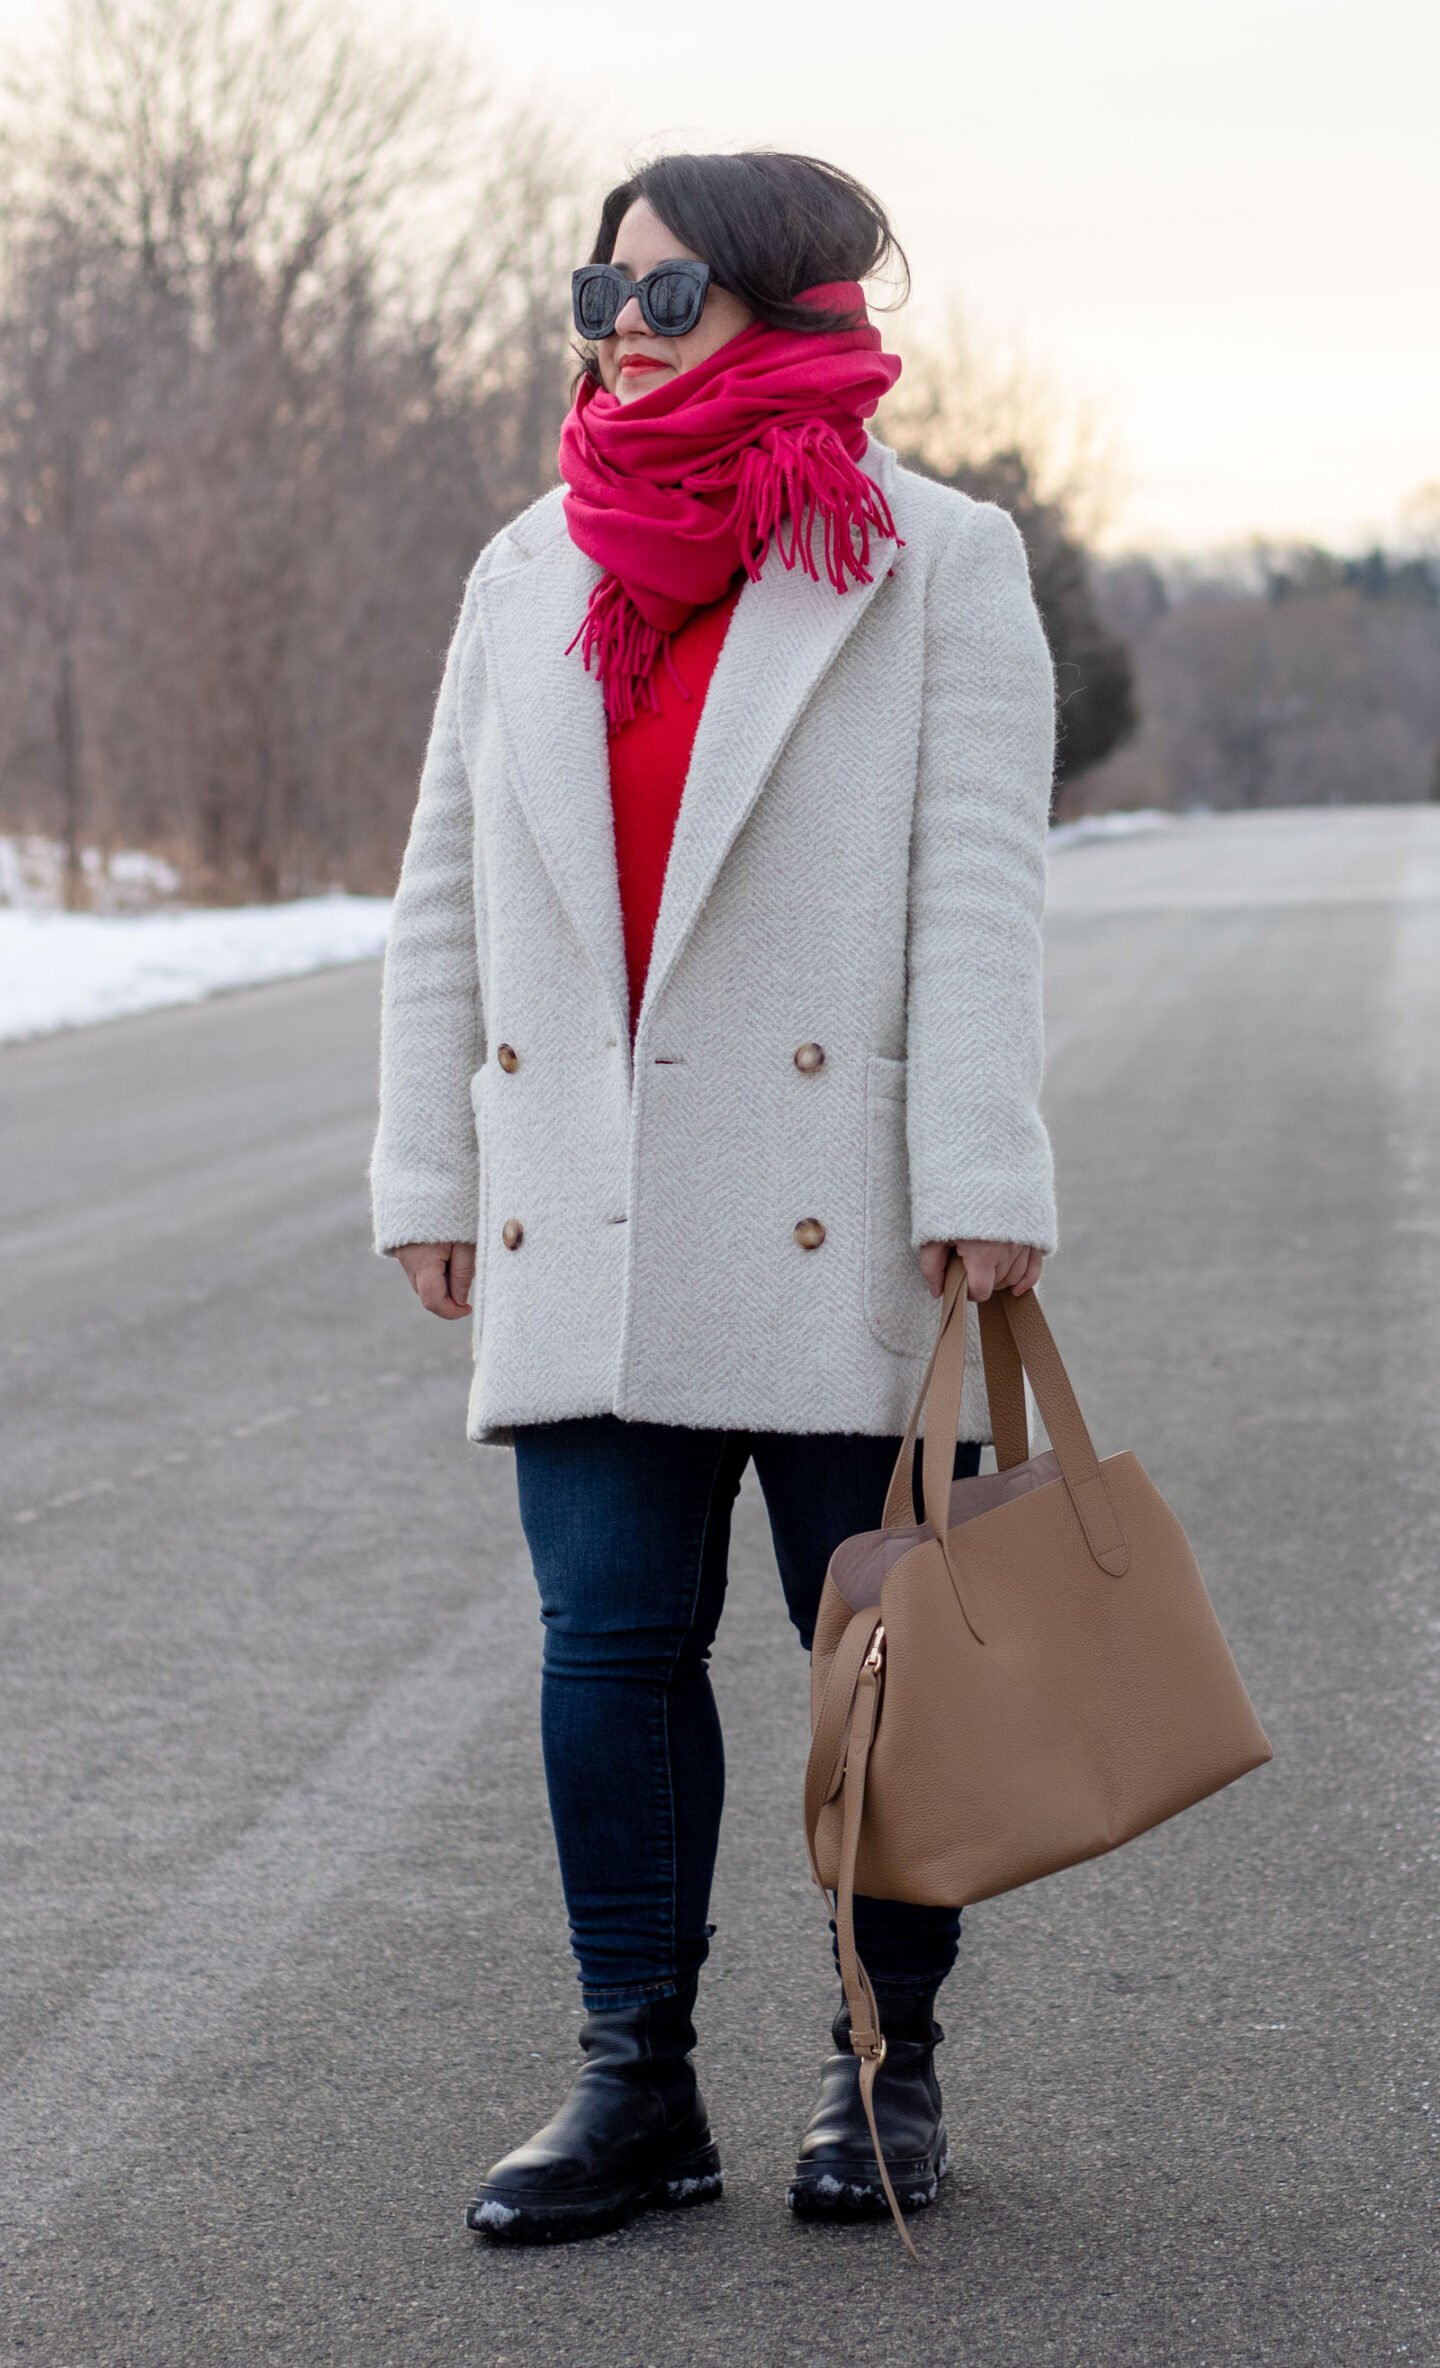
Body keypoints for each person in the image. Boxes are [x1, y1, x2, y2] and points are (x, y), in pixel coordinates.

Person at [369, 149, 1056, 2245]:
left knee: (874, 1655)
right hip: (581, 1196)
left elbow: (979, 896)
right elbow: (444, 894)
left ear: (794, 301)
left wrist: (981, 1168)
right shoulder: (525, 566)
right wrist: (429, 1160)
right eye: (602, 284)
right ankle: (630, 2081)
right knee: (606, 1645)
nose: (619, 322)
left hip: (841, 1198)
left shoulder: (935, 559)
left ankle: (882, 2068)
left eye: (665, 291)